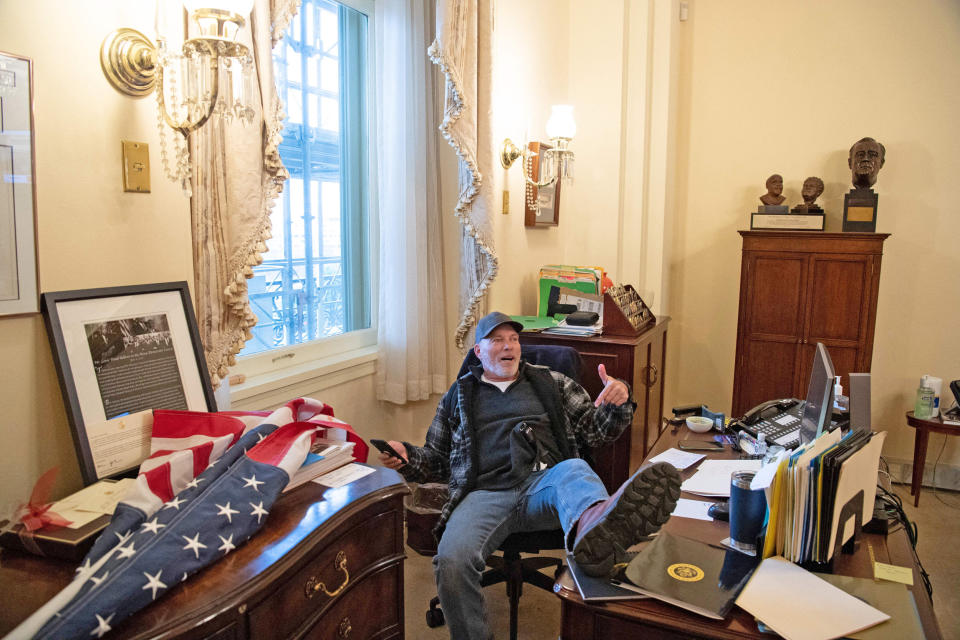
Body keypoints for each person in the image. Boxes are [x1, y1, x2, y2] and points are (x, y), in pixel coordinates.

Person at [378, 311, 681, 640]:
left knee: (575, 470)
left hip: (546, 485)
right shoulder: (458, 396)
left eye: (514, 339)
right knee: (451, 562)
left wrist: (618, 401)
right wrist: (407, 457)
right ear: (477, 352)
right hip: (483, 494)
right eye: (497, 340)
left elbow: (597, 433)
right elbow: (437, 460)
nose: (508, 346)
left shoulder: (551, 382)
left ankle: (597, 535)